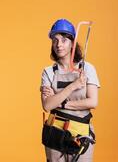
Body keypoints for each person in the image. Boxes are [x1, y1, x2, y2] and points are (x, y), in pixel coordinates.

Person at [40, 19, 100, 162]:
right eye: (55, 40)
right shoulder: (48, 72)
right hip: (54, 133)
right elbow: (47, 106)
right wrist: (74, 85)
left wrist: (60, 102)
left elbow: (93, 101)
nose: (58, 44)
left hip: (81, 135)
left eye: (64, 40)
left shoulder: (87, 69)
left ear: (72, 42)